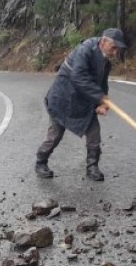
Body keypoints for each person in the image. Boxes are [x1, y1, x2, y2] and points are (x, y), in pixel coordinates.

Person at [35, 28, 127, 181]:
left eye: (118, 49)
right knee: (55, 135)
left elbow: (102, 84)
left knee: (94, 132)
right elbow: (78, 77)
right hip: (63, 98)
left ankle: (92, 167)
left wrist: (102, 103)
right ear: (103, 42)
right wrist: (101, 97)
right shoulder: (85, 50)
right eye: (114, 47)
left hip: (84, 101)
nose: (115, 52)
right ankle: (41, 162)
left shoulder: (106, 63)